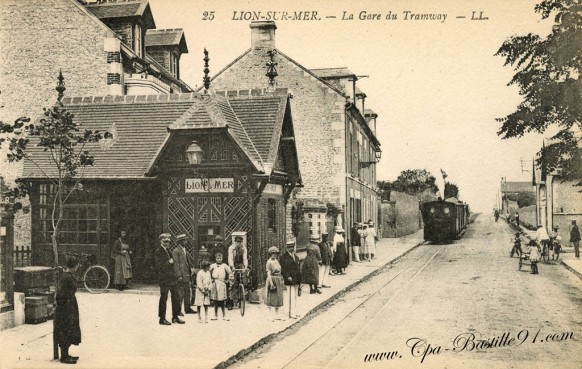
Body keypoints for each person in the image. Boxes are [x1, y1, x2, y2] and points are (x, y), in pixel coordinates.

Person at [55, 256, 81, 364]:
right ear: (75, 266)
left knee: (70, 328)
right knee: (65, 329)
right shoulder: (67, 277)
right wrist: (65, 305)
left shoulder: (68, 276)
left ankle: (66, 354)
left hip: (70, 306)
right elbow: (60, 294)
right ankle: (64, 357)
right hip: (66, 308)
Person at [155, 233, 184, 325]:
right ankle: (162, 318)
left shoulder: (168, 250)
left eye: (168, 242)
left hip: (172, 278)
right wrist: (168, 262)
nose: (167, 243)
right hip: (164, 279)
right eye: (165, 241)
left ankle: (175, 317)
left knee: (176, 297)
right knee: (164, 298)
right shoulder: (158, 251)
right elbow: (158, 266)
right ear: (161, 241)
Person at [172, 234, 195, 315]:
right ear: (180, 242)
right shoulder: (176, 251)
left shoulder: (184, 250)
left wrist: (190, 271)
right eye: (184, 240)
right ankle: (178, 310)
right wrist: (179, 275)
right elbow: (176, 264)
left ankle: (187, 308)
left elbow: (187, 263)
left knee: (187, 292)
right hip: (181, 276)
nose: (186, 241)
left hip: (187, 275)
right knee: (180, 294)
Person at [280, 242, 301, 319]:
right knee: (290, 296)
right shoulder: (283, 257)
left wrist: (300, 280)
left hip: (296, 279)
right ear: (287, 248)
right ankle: (291, 313)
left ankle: (294, 311)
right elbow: (283, 269)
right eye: (289, 247)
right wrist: (287, 276)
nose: (291, 249)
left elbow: (298, 269)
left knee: (295, 296)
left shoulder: (296, 256)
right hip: (289, 279)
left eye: (292, 247)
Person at [265, 246, 285, 321]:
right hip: (272, 280)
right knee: (271, 297)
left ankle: (277, 315)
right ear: (270, 254)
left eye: (276, 254)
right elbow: (268, 274)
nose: (275, 255)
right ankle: (269, 316)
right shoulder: (269, 262)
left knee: (278, 297)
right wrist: (271, 284)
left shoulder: (276, 261)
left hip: (278, 280)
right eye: (273, 254)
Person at [228, 235, 248, 309]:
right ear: (235, 242)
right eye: (238, 242)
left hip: (240, 264)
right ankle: (230, 302)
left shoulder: (244, 248)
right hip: (233, 265)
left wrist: (245, 266)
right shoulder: (231, 248)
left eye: (240, 242)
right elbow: (230, 258)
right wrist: (232, 267)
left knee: (244, 276)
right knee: (232, 282)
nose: (239, 244)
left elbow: (245, 258)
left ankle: (243, 291)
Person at [210, 252, 232, 321]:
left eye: (220, 258)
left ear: (222, 258)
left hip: (222, 283)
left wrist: (228, 280)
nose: (219, 259)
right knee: (215, 300)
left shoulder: (224, 265)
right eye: (217, 258)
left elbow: (230, 273)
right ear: (215, 259)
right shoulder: (213, 265)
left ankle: (224, 315)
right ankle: (215, 315)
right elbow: (207, 272)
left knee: (222, 300)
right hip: (215, 284)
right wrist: (211, 279)